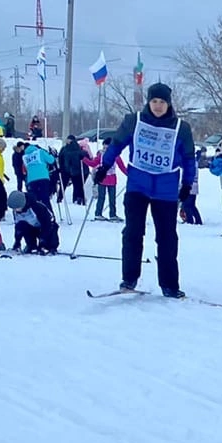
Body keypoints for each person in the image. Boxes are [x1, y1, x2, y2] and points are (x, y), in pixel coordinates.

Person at [94, 84, 196, 298]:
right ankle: (129, 278)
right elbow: (117, 144)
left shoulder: (181, 127)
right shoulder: (134, 121)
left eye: (162, 102)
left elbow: (188, 158)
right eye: (154, 101)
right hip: (137, 186)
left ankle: (169, 284)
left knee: (167, 237)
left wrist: (187, 184)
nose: (158, 106)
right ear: (149, 102)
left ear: (169, 104)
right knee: (132, 232)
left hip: (166, 190)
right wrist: (104, 166)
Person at [9, 189, 60, 254]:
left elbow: (47, 224)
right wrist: (17, 242)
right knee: (22, 225)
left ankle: (50, 246)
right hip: (32, 227)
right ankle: (31, 246)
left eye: (16, 208)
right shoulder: (16, 212)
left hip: (48, 227)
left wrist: (42, 241)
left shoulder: (37, 207)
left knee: (50, 244)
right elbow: (18, 227)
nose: (15, 210)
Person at [87, 143, 119, 220]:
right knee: (101, 197)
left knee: (112, 199)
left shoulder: (116, 156)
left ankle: (112, 214)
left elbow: (122, 167)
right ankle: (98, 213)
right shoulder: (100, 156)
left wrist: (131, 174)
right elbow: (93, 164)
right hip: (103, 179)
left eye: (107, 148)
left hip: (112, 180)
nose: (105, 149)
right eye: (104, 147)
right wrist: (83, 159)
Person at [58, 135, 88, 205]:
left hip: (69, 169)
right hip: (74, 170)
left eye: (69, 140)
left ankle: (60, 198)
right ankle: (78, 199)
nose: (67, 141)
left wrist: (61, 167)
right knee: (77, 186)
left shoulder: (65, 149)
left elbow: (61, 158)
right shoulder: (77, 148)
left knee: (67, 185)